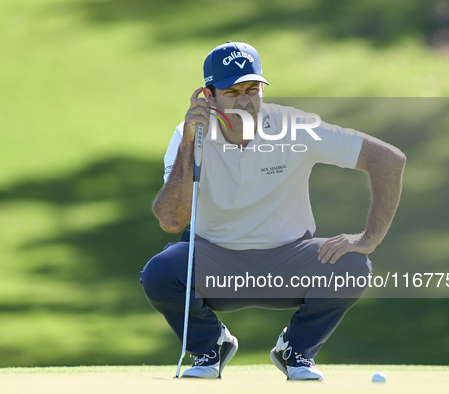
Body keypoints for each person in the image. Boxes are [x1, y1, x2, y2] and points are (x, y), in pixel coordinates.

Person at [140, 41, 405, 380]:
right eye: (232, 91)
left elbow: (388, 159)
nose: (245, 100)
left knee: (353, 265)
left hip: (287, 259)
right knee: (161, 272)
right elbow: (171, 220)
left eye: (252, 89)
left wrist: (369, 238)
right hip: (214, 260)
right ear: (209, 96)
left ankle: (295, 350)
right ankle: (210, 346)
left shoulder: (294, 127)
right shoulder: (187, 136)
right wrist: (191, 142)